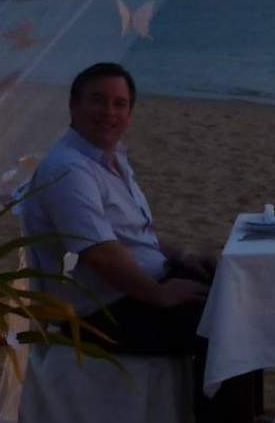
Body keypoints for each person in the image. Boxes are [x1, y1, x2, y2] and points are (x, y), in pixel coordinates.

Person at [20, 60, 218, 359]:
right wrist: (159, 294)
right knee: (225, 325)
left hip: (139, 287)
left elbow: (132, 237)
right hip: (104, 311)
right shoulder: (67, 169)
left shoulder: (112, 160)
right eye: (98, 100)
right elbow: (99, 255)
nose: (109, 112)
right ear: (74, 106)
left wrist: (183, 256)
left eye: (119, 104)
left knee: (234, 294)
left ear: (129, 113)